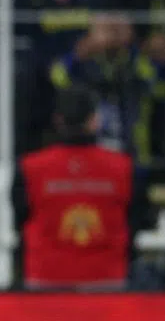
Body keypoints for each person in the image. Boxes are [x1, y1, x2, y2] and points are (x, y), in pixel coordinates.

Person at [13, 85, 139, 290]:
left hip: (45, 279)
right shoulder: (124, 167)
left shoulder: (30, 167)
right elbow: (135, 219)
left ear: (58, 121)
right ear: (95, 121)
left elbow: (20, 217)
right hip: (107, 279)